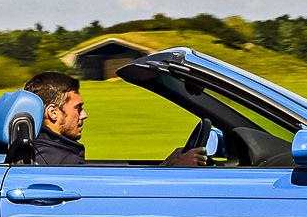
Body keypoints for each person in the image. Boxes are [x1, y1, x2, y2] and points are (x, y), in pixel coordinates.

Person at [23, 70, 206, 167]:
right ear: (53, 113)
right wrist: (171, 171)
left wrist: (167, 165)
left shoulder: (43, 152)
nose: (84, 115)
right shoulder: (58, 163)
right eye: (78, 108)